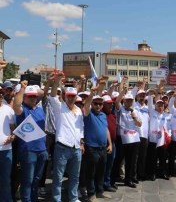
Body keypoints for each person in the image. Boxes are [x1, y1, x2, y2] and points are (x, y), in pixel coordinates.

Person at [49, 72, 85, 202]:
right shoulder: (59, 108)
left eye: (73, 96)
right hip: (62, 148)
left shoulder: (79, 110)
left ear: (76, 97)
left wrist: (81, 142)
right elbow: (53, 96)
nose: (71, 98)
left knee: (75, 176)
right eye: (68, 96)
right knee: (58, 177)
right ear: (65, 96)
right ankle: (56, 199)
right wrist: (56, 81)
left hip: (76, 148)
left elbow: (80, 128)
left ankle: (73, 198)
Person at [13, 82, 48, 202]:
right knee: (27, 181)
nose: (33, 98)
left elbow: (43, 94)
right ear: (25, 97)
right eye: (30, 96)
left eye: (35, 96)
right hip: (28, 151)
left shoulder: (39, 109)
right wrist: (22, 88)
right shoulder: (22, 110)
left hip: (42, 150)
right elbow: (16, 105)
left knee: (36, 180)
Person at [83, 85, 113, 201]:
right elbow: (86, 105)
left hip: (103, 147)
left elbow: (106, 130)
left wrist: (109, 144)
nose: (99, 106)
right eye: (96, 104)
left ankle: (100, 191)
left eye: (100, 104)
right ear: (92, 104)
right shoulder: (88, 114)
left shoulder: (103, 115)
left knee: (101, 171)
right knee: (91, 172)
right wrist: (92, 93)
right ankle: (91, 194)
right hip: (91, 147)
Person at [115, 87, 142, 188]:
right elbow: (117, 101)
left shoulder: (135, 111)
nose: (129, 103)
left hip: (134, 139)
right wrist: (123, 91)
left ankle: (128, 180)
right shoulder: (120, 109)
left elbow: (139, 124)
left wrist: (133, 114)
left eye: (131, 101)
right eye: (127, 101)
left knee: (131, 161)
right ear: (124, 101)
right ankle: (113, 179)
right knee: (118, 160)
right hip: (122, 139)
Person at [146, 86, 171, 181]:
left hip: (162, 141)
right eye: (158, 105)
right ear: (155, 106)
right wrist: (156, 92)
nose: (160, 107)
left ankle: (163, 173)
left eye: (162, 105)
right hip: (153, 140)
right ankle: (152, 174)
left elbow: (168, 127)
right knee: (152, 159)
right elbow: (149, 102)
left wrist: (169, 135)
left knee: (163, 158)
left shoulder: (166, 115)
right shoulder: (152, 112)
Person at [0, 85, 16, 202]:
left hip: (6, 150)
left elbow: (13, 128)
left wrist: (13, 137)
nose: (0, 95)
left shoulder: (8, 109)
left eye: (1, 93)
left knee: (5, 180)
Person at [102, 94, 118, 192]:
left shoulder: (112, 114)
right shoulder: (101, 114)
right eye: (108, 104)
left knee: (110, 164)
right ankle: (101, 184)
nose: (110, 106)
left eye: (111, 104)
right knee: (103, 165)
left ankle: (107, 183)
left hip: (113, 143)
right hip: (104, 143)